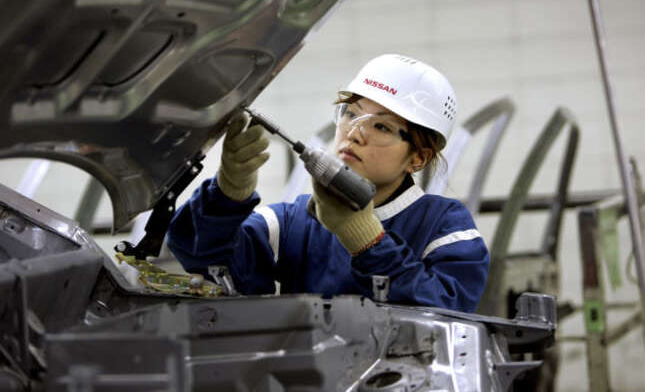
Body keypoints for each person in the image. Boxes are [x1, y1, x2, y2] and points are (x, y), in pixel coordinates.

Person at [167, 54, 489, 312]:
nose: (354, 133)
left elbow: (448, 312)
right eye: (351, 113)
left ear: (418, 158)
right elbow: (203, 258)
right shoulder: (295, 221)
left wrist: (366, 240)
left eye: (382, 127)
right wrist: (228, 194)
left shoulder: (443, 224)